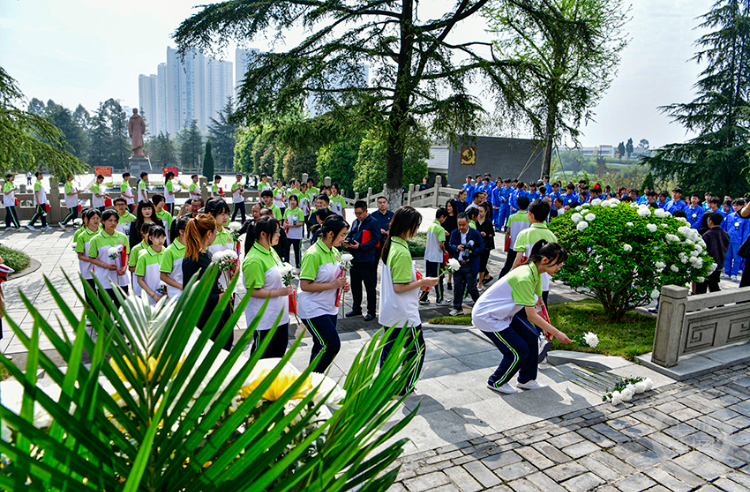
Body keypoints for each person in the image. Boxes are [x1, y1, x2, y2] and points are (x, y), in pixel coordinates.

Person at [472, 240, 572, 394]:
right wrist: (557, 333)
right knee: (518, 351)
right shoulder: (526, 276)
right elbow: (531, 316)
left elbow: (539, 305)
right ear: (545, 260)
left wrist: (547, 328)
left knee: (532, 338)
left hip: (504, 313)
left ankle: (526, 380)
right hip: (488, 316)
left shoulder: (536, 272)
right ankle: (496, 382)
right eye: (558, 264)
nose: (560, 268)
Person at [379, 206, 438, 395]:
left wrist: (417, 280)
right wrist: (423, 281)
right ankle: (405, 387)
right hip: (404, 313)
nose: (417, 230)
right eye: (416, 225)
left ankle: (382, 384)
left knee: (389, 351)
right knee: (417, 351)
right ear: (409, 226)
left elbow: (398, 280)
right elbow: (399, 286)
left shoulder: (392, 244)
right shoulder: (402, 251)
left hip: (390, 310)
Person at [297, 215, 350, 373]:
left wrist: (343, 284)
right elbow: (305, 285)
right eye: (342, 235)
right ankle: (309, 379)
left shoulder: (334, 251)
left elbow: (335, 277)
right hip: (313, 308)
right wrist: (333, 285)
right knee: (332, 345)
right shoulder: (313, 254)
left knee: (321, 345)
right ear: (331, 234)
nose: (344, 238)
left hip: (329, 307)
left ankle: (312, 383)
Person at [242, 216, 293, 358]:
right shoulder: (254, 260)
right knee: (261, 358)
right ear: (263, 234)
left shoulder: (271, 250)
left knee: (278, 355)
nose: (279, 235)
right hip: (264, 319)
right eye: (276, 231)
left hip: (279, 315)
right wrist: (279, 292)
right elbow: (253, 291)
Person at [182, 214, 234, 351]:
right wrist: (217, 297)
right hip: (204, 317)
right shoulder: (191, 260)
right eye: (215, 232)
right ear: (209, 233)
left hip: (215, 313)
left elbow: (209, 284)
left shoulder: (207, 255)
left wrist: (220, 291)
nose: (216, 235)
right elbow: (192, 294)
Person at [512, 198, 557, 307]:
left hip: (526, 281)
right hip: (545, 284)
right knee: (541, 314)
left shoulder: (524, 234)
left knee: (522, 315)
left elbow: (518, 261)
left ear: (530, 214)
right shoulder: (552, 236)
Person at [345, 200, 382, 321]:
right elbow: (351, 234)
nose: (358, 216)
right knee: (355, 285)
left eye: (360, 213)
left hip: (367, 259)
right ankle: (356, 308)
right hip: (355, 259)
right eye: (356, 213)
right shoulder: (355, 222)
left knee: (369, 286)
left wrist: (361, 246)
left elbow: (376, 240)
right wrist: (347, 241)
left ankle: (371, 311)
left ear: (366, 211)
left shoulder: (373, 223)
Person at [88, 209, 130, 307]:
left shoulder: (122, 237)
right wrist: (105, 265)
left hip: (121, 279)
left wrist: (124, 267)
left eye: (115, 220)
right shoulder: (96, 239)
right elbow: (91, 258)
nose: (113, 223)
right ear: (103, 221)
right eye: (110, 220)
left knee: (122, 308)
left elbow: (126, 254)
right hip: (104, 278)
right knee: (104, 308)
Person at [447, 212, 484, 316]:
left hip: (470, 264)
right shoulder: (455, 233)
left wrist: (472, 252)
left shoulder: (475, 234)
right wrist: (456, 248)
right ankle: (457, 307)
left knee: (472, 287)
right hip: (458, 264)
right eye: (459, 225)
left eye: (463, 225)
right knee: (457, 287)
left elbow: (481, 247)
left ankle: (480, 305)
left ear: (468, 223)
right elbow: (449, 246)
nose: (461, 227)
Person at [420, 207, 450, 306]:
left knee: (429, 278)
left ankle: (423, 298)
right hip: (437, 257)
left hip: (429, 256)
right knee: (438, 279)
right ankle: (440, 299)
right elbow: (441, 244)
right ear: (442, 217)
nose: (444, 220)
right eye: (445, 218)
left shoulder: (431, 226)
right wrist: (445, 251)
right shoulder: (440, 229)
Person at [499, 196, 531, 279]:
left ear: (517, 204)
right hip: (525, 247)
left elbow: (508, 233)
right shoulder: (530, 218)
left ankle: (500, 281)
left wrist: (506, 245)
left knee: (508, 265)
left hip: (513, 245)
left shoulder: (512, 217)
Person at [697, 212, 729, 294]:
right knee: (714, 285)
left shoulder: (707, 235)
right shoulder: (725, 234)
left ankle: (700, 304)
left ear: (710, 221)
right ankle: (719, 304)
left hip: (708, 264)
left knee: (702, 286)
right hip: (719, 263)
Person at [75, 209, 102, 306]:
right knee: (90, 293)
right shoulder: (82, 236)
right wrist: (94, 260)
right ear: (87, 220)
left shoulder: (103, 234)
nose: (96, 221)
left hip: (102, 269)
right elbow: (80, 256)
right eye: (93, 218)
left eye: (98, 218)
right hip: (88, 269)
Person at [135, 225, 167, 306]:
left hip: (168, 298)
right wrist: (154, 295)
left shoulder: (168, 253)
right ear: (150, 238)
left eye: (163, 237)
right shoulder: (143, 256)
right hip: (150, 300)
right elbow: (140, 280)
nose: (160, 240)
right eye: (157, 237)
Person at [160, 218, 188, 303]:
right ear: (181, 232)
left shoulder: (193, 247)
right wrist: (181, 286)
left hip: (192, 291)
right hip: (176, 295)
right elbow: (163, 276)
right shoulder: (169, 251)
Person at [722, 198, 748, 281]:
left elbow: (746, 232)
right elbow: (725, 228)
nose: (735, 207)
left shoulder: (745, 218)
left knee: (737, 258)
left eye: (737, 205)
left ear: (742, 206)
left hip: (738, 241)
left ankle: (734, 273)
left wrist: (743, 242)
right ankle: (727, 272)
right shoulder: (730, 216)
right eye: (734, 205)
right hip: (729, 240)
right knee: (727, 257)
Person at [128, 221, 154, 298]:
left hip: (154, 287)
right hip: (140, 288)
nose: (152, 236)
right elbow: (131, 267)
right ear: (143, 233)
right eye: (149, 232)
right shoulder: (136, 249)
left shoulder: (161, 249)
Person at [476, 202, 495, 289]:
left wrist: (486, 235)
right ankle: (486, 276)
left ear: (486, 212)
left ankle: (480, 283)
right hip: (477, 245)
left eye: (481, 211)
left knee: (483, 264)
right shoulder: (475, 221)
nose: (479, 213)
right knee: (477, 263)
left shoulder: (488, 222)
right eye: (478, 211)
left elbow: (492, 234)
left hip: (486, 245)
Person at [371, 196, 394, 263]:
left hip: (388, 240)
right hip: (376, 241)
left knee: (388, 261)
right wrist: (378, 230)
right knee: (374, 262)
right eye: (380, 203)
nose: (382, 204)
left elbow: (396, 226)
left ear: (387, 203)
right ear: (377, 204)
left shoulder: (392, 215)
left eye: (384, 202)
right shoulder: (373, 215)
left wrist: (390, 231)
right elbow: (369, 228)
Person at [283, 194, 305, 267]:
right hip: (288, 235)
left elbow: (301, 223)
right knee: (286, 251)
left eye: (294, 200)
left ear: (297, 202)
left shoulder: (299, 211)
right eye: (291, 200)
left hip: (297, 235)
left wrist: (291, 226)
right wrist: (285, 226)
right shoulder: (287, 210)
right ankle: (286, 266)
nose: (293, 202)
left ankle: (298, 266)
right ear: (289, 201)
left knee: (297, 252)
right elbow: (285, 220)